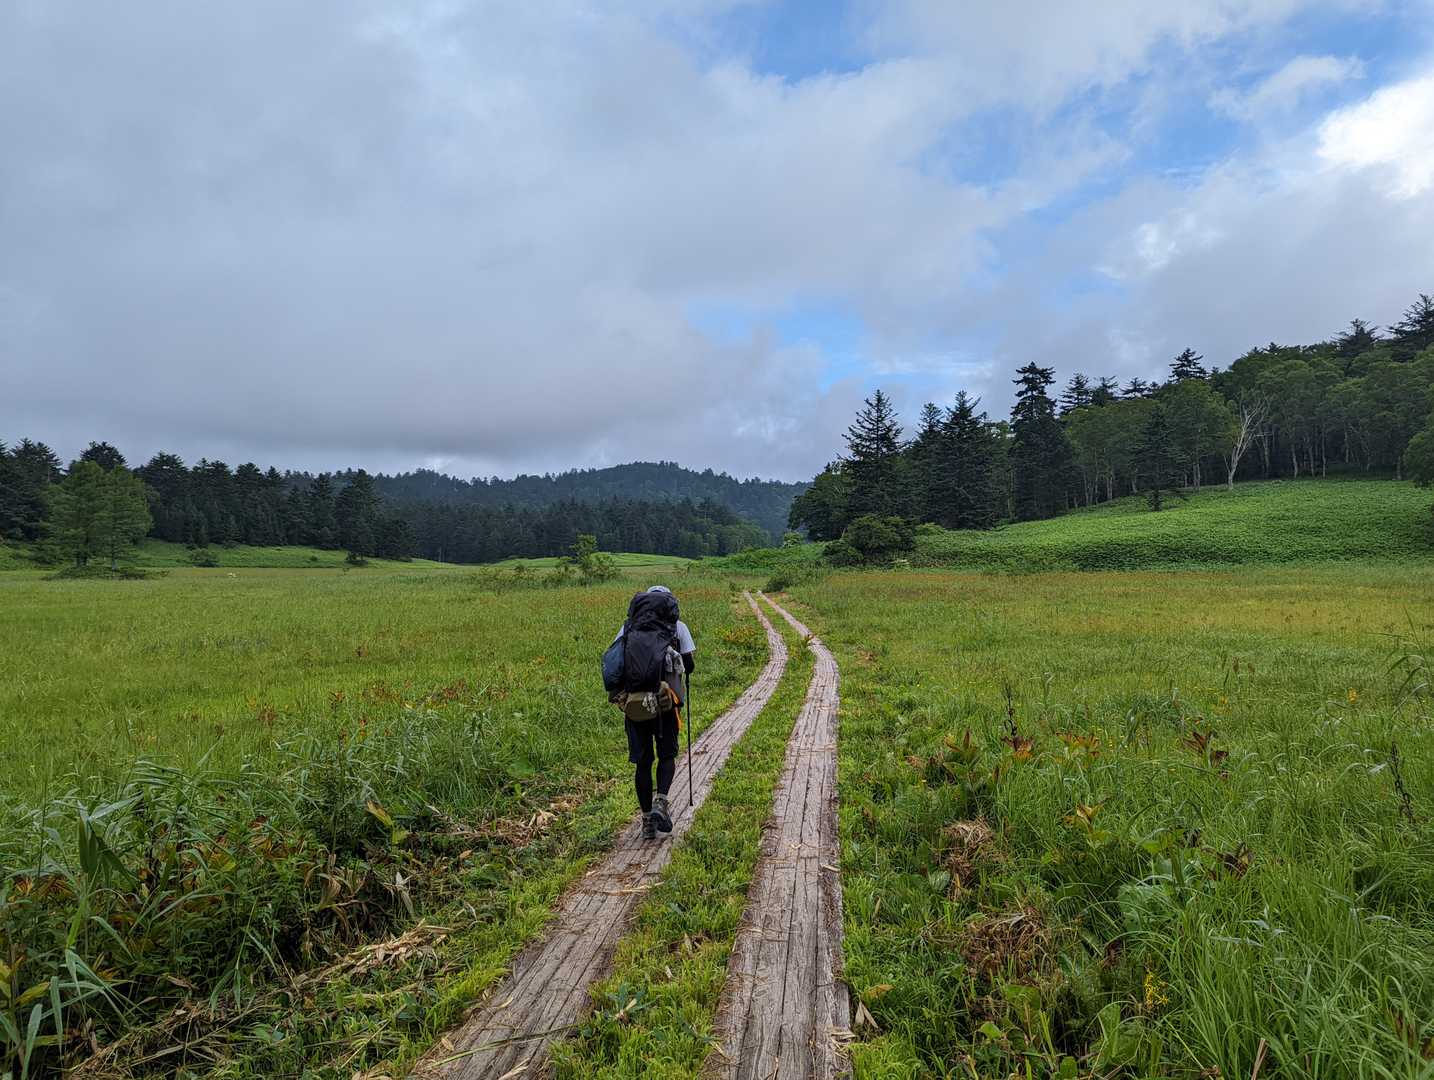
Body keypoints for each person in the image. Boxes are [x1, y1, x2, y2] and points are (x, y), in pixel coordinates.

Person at [613, 585, 695, 840]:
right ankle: (661, 801)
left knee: (643, 761)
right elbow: (689, 665)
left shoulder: (628, 627)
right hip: (666, 702)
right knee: (667, 754)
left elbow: (615, 664)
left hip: (636, 704)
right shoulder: (677, 627)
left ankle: (647, 820)